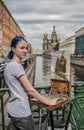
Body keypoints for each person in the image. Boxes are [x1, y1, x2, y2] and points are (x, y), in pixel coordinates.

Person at [4, 36, 58, 130]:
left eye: (26, 48)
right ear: (13, 49)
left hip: (13, 111)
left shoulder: (9, 66)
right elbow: (30, 90)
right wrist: (49, 102)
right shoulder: (17, 67)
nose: (25, 51)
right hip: (22, 113)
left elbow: (18, 88)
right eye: (22, 48)